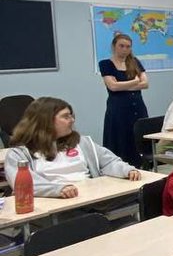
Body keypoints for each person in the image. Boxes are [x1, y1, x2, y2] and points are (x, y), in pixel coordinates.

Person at [5, 97, 142, 197]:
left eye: (71, 115)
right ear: (46, 121)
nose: (72, 120)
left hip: (89, 199)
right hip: (54, 204)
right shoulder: (20, 154)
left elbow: (109, 162)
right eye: (66, 117)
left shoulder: (82, 142)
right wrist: (58, 189)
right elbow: (25, 184)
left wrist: (126, 170)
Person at [98, 31, 148, 167]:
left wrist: (123, 86)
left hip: (137, 107)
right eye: (122, 46)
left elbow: (145, 84)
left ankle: (140, 166)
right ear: (114, 46)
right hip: (118, 109)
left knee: (137, 139)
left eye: (128, 46)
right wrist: (134, 82)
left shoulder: (135, 62)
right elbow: (112, 86)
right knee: (120, 139)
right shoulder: (105, 64)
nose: (125, 49)